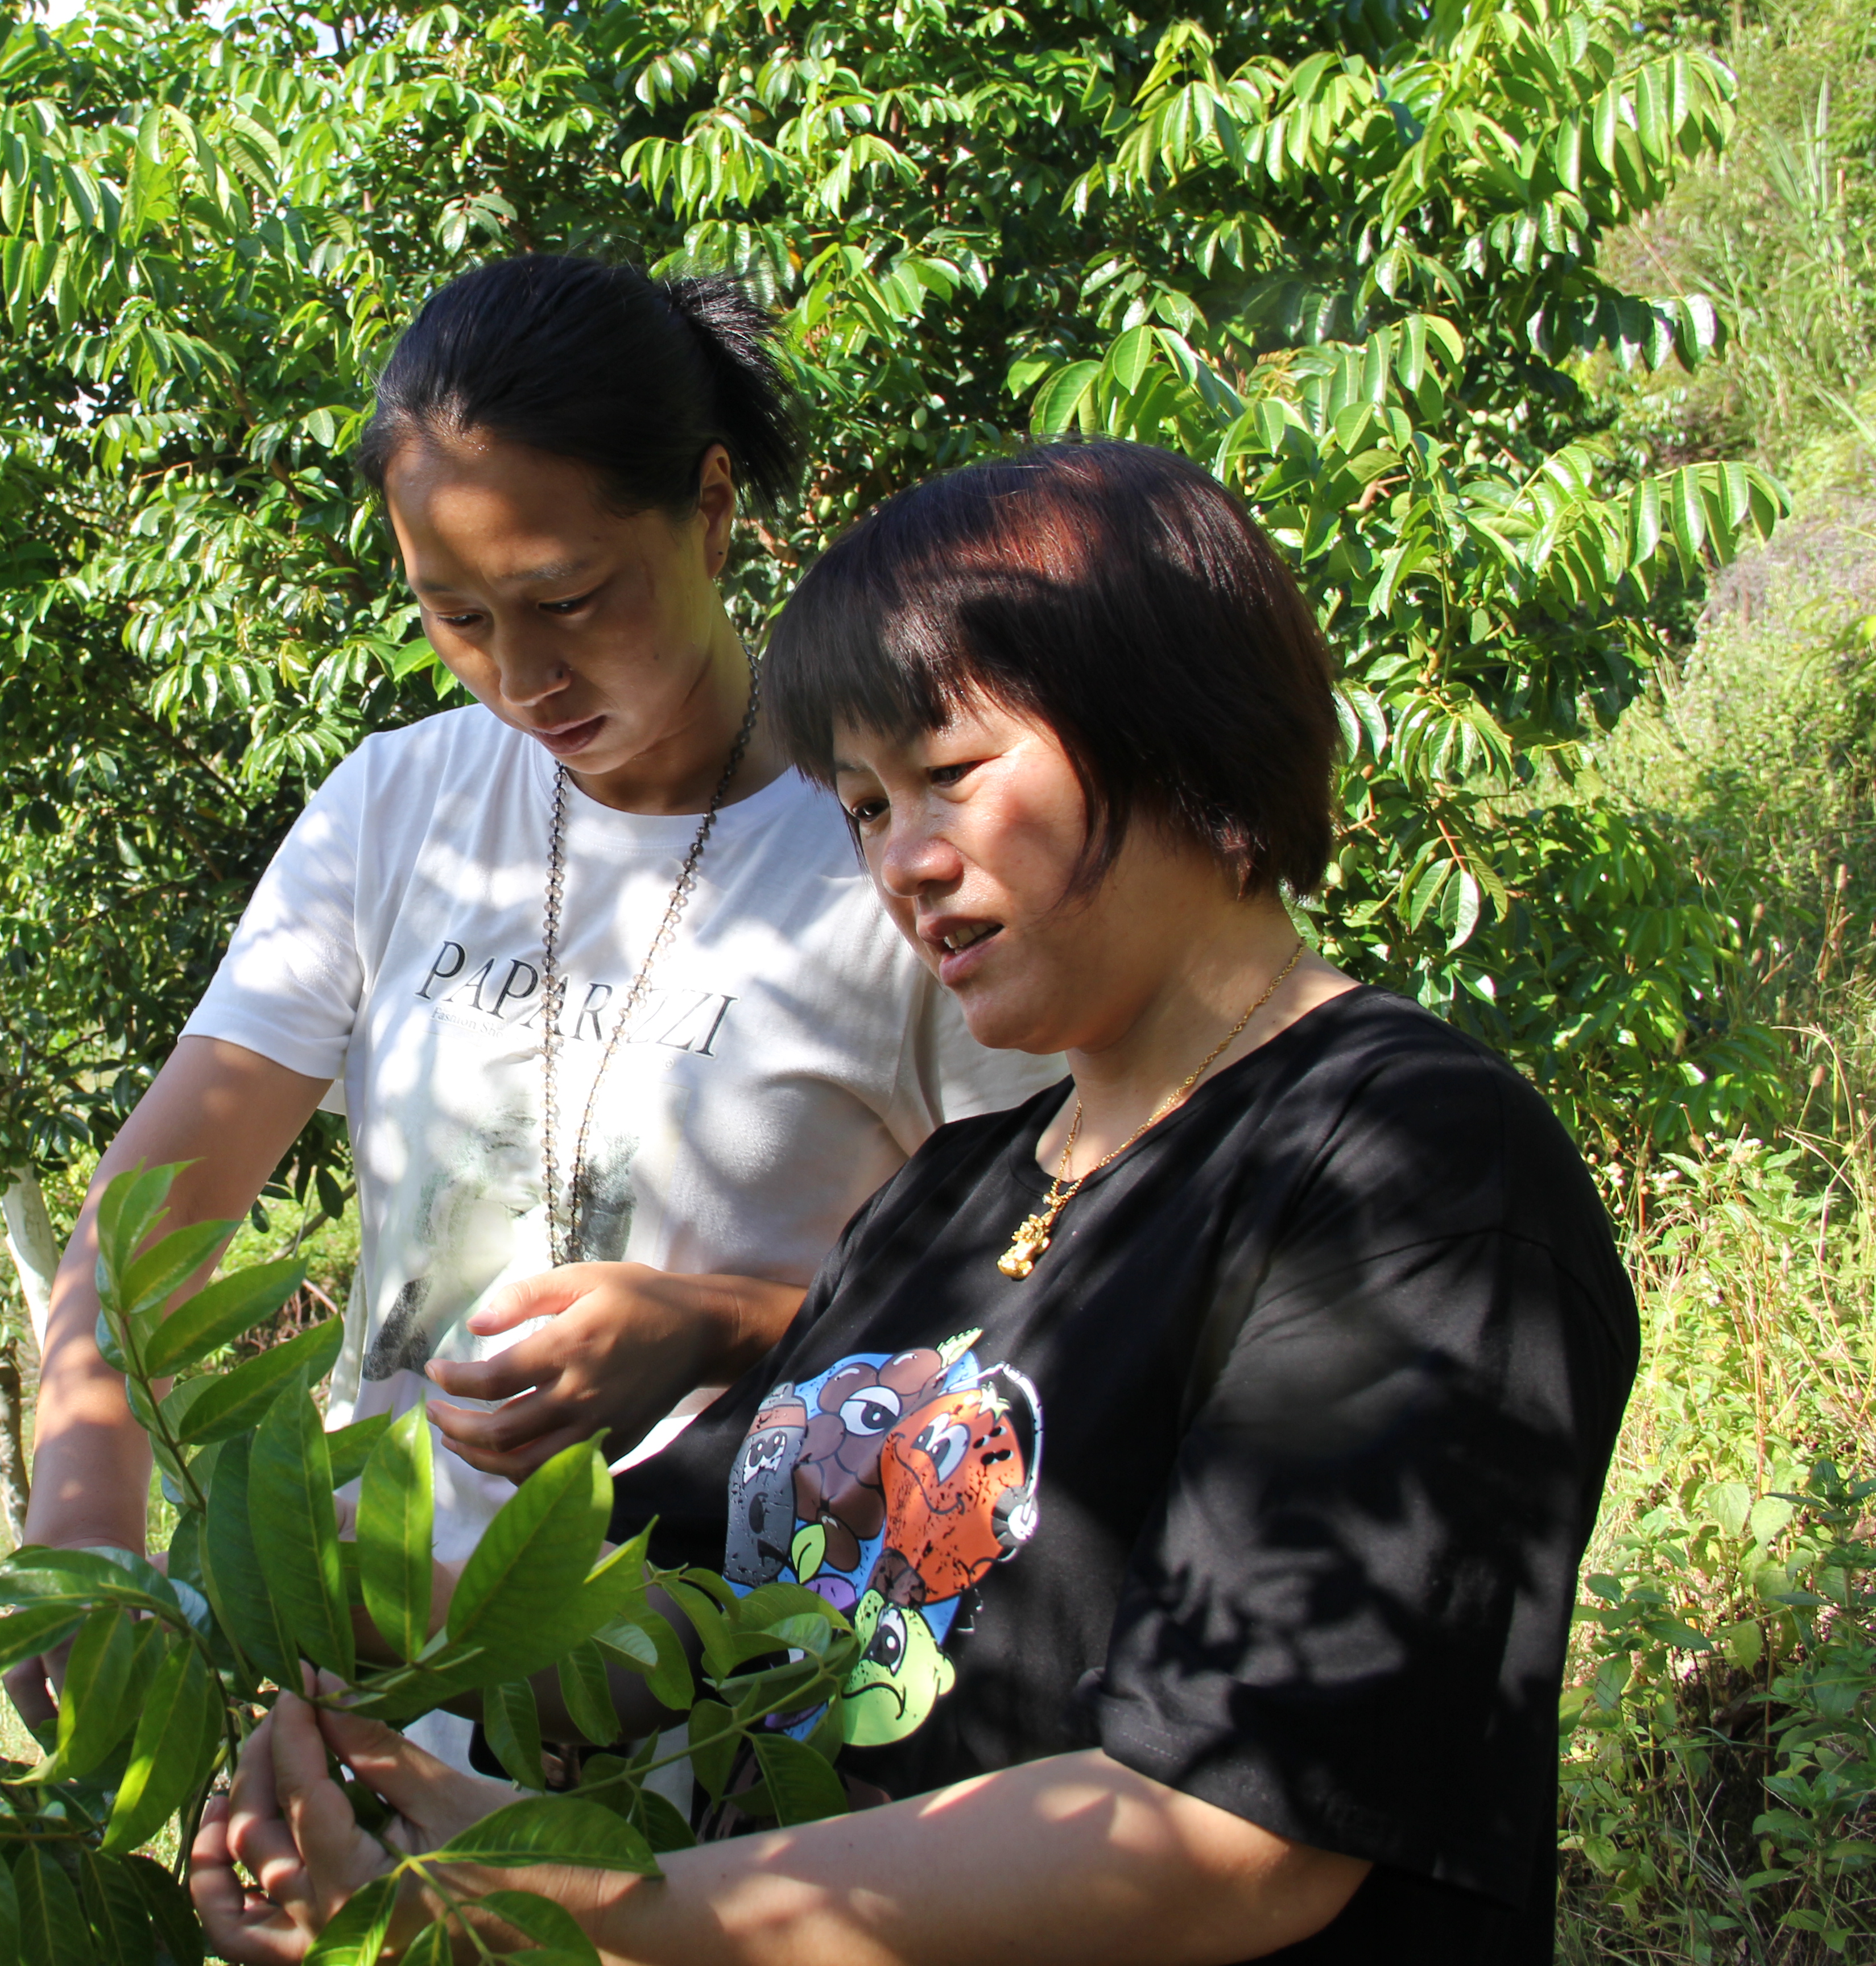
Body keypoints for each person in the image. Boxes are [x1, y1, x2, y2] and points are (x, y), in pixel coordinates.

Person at [189, 439, 1640, 1963]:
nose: (906, 863)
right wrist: (318, 1604)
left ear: (1176, 727)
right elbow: (704, 1641)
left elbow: (1234, 1834)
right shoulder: (950, 1198)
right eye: (867, 806)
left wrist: (569, 1900)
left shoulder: (1400, 1166)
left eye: (950, 776)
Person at [10, 257, 1057, 1740]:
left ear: (706, 508)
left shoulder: (894, 851)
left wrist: (714, 1324)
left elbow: (1034, 1323)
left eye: (567, 598)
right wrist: (85, 1504)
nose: (522, 676)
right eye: (457, 616)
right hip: (387, 1707)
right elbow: (152, 1214)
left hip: (733, 1738)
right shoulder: (402, 808)